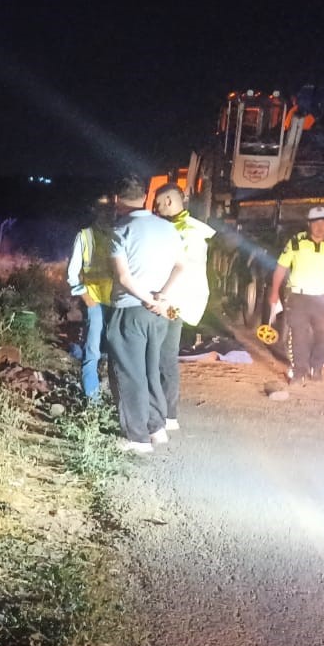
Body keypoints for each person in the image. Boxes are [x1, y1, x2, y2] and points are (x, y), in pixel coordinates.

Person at [103, 176, 184, 454]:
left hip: (130, 309)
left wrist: (147, 299)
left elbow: (123, 277)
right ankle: (156, 426)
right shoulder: (169, 229)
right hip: (160, 313)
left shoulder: (120, 230)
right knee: (151, 370)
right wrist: (162, 298)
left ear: (117, 200)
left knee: (130, 373)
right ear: (145, 198)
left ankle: (137, 438)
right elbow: (181, 267)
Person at [152, 182, 216, 431]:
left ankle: (167, 415)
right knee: (162, 357)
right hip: (170, 301)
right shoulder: (179, 227)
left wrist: (162, 297)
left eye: (158, 204)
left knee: (164, 357)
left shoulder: (190, 232)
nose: (156, 210)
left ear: (169, 201)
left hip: (172, 303)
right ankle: (165, 413)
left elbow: (183, 270)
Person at [267, 206, 324, 383]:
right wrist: (274, 293)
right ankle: (299, 371)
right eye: (315, 223)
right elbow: (281, 268)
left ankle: (316, 368)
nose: (320, 227)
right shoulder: (296, 242)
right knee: (299, 336)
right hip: (299, 297)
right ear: (309, 225)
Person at [65, 200, 114, 402]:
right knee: (92, 351)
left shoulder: (119, 233)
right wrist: (86, 297)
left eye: (109, 209)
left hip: (117, 302)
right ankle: (92, 401)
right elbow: (72, 274)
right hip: (95, 301)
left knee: (116, 353)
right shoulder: (84, 236)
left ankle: (114, 399)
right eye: (102, 209)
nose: (107, 214)